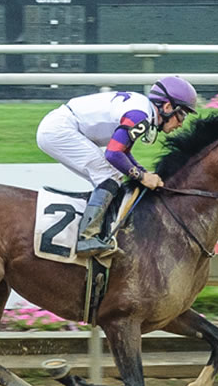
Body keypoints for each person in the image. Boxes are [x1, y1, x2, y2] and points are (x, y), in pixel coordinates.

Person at [36, 76, 198, 257]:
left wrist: (142, 172)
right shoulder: (140, 116)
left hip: (61, 126)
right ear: (167, 107)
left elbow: (124, 152)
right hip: (60, 130)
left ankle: (98, 231)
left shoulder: (143, 111)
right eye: (181, 114)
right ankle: (87, 238)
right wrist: (143, 177)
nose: (181, 123)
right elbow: (113, 154)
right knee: (108, 176)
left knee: (112, 175)